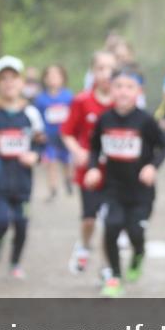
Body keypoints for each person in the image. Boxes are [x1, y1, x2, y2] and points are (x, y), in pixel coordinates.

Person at [84, 68, 165, 297]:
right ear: (110, 89)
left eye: (129, 87)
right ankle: (114, 277)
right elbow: (94, 148)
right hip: (113, 188)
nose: (123, 92)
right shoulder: (105, 119)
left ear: (138, 92)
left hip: (141, 192)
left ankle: (138, 255)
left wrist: (152, 166)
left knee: (135, 233)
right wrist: (93, 168)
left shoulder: (145, 120)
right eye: (118, 86)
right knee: (111, 228)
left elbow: (164, 146)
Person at [0, 56, 45, 279]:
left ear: (22, 82)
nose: (9, 83)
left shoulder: (31, 113)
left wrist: (35, 155)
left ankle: (15, 263)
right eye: (3, 79)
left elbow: (41, 142)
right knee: (2, 220)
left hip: (23, 181)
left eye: (13, 78)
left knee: (22, 223)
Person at [60, 50, 115, 274]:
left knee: (111, 224)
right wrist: (77, 151)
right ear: (93, 72)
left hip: (115, 173)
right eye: (101, 68)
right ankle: (83, 246)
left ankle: (107, 267)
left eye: (111, 68)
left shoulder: (122, 103)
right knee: (90, 221)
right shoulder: (81, 101)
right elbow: (67, 132)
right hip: (89, 172)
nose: (106, 74)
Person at [33, 64, 74, 201]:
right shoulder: (41, 99)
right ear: (44, 79)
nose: (53, 79)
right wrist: (39, 133)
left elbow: (73, 115)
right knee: (51, 161)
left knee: (66, 160)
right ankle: (53, 188)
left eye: (56, 76)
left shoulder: (68, 96)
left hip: (64, 135)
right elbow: (37, 116)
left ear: (63, 78)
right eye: (49, 76)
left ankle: (68, 180)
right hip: (48, 135)